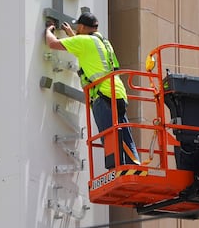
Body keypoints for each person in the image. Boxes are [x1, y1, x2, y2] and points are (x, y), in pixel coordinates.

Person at [45, 12, 140, 168]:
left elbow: (52, 44)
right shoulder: (104, 42)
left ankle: (116, 172)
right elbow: (86, 50)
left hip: (102, 94)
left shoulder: (83, 41)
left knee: (109, 137)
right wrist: (71, 35)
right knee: (124, 135)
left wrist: (48, 30)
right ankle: (135, 167)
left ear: (82, 27)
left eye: (77, 28)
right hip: (118, 92)